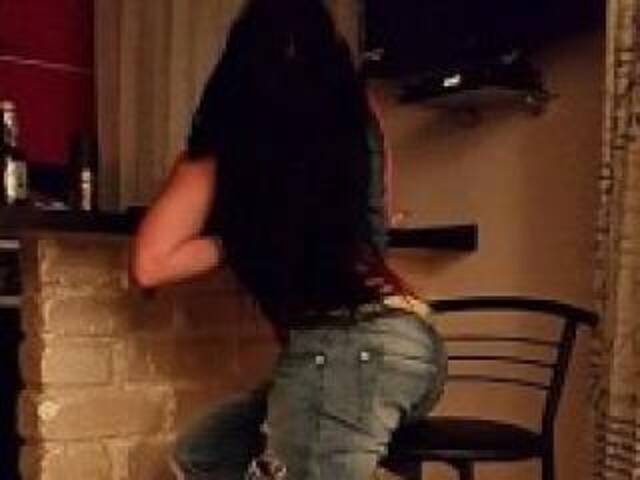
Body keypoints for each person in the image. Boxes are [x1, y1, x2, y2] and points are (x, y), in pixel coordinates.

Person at [131, 0, 447, 478]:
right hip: (415, 346)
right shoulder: (359, 123)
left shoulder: (226, 146)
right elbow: (377, 226)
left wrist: (237, 232)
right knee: (204, 455)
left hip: (347, 349)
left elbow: (150, 263)